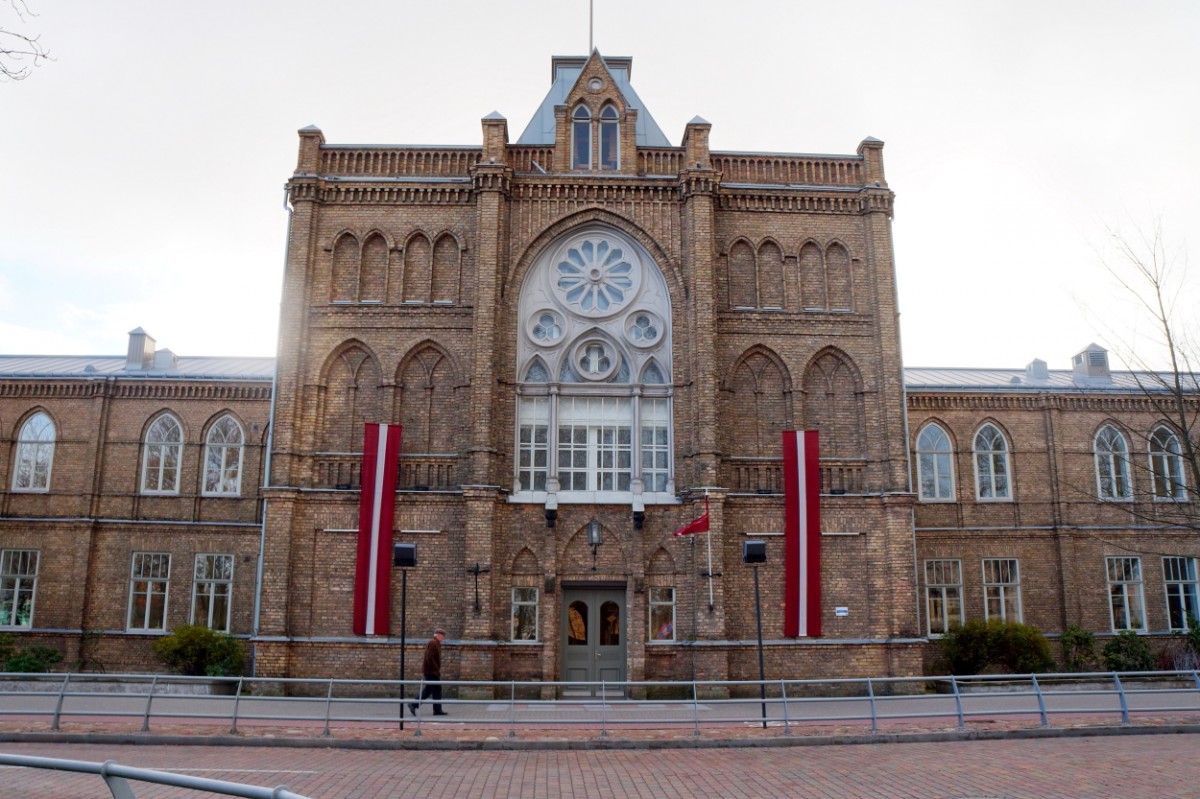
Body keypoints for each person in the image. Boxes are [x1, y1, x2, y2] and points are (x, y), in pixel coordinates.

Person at [409, 628, 448, 716]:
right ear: (438, 635)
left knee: (436, 690)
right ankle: (413, 704)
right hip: (431, 672)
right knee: (429, 689)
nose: (444, 637)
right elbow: (429, 657)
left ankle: (437, 709)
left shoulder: (436, 643)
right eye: (443, 635)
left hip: (433, 671)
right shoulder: (433, 643)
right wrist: (436, 668)